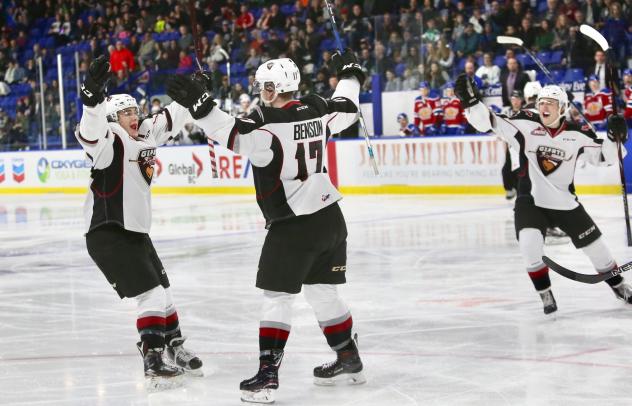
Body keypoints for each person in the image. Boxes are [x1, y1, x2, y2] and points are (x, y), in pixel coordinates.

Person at [165, 51, 366, 404]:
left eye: (265, 86)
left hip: (294, 226)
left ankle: (267, 377)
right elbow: (347, 106)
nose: (261, 91)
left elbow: (231, 135)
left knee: (277, 299)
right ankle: (349, 357)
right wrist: (351, 73)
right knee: (324, 294)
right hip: (330, 219)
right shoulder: (318, 108)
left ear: (274, 89)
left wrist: (199, 104)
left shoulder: (266, 123)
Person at [455, 73, 632, 315]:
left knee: (599, 251)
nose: (544, 106)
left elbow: (609, 157)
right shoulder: (525, 123)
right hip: (531, 200)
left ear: (563, 109)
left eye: (550, 103)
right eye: (541, 102)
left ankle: (620, 286)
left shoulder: (577, 133)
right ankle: (545, 292)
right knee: (529, 247)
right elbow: (489, 123)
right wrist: (471, 103)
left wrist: (615, 137)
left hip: (565, 201)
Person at [75, 56, 203, 391]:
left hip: (136, 233)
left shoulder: (143, 133)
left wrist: (196, 92)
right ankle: (152, 356)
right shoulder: (108, 141)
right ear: (112, 120)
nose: (134, 117)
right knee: (151, 296)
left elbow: (172, 116)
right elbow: (90, 132)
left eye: (135, 111)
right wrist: (90, 99)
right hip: (108, 233)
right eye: (126, 113)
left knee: (165, 295)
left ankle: (174, 347)